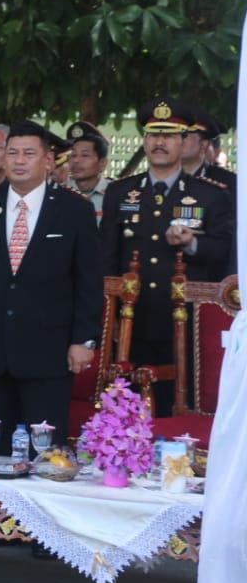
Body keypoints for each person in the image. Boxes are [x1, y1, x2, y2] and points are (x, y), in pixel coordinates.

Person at [0, 120, 103, 451]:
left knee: (43, 451)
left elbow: (89, 282)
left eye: (28, 153)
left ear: (48, 161)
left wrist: (84, 339)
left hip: (49, 349)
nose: (18, 160)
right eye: (12, 152)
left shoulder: (75, 210)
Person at [100, 99, 233, 415]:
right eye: (153, 134)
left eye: (169, 135)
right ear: (144, 140)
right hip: (132, 319)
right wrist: (108, 317)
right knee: (126, 408)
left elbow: (225, 253)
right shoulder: (122, 192)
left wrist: (191, 244)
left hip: (185, 322)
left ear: (184, 141)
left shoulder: (210, 194)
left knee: (179, 407)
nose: (160, 142)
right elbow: (106, 257)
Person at [183, 105, 236, 195]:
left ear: (203, 144)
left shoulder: (228, 182)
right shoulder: (160, 178)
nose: (175, 141)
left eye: (184, 135)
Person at [64, 121, 110, 225]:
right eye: (73, 155)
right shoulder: (59, 193)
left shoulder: (115, 194)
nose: (76, 160)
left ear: (102, 163)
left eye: (84, 155)